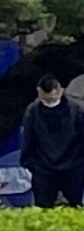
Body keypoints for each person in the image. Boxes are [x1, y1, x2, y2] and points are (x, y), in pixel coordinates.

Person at [25, 76, 84, 211]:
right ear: (39, 92)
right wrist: (31, 164)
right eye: (46, 99)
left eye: (52, 98)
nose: (49, 102)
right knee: (42, 208)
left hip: (73, 166)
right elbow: (29, 139)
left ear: (60, 91)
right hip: (43, 168)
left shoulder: (76, 110)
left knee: (75, 207)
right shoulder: (33, 111)